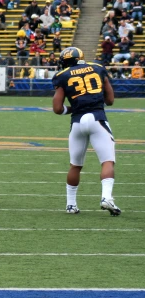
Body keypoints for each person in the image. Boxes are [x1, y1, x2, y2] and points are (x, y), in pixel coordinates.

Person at [51, 47, 120, 215]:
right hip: (97, 118)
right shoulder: (97, 68)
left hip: (77, 122)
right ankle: (106, 198)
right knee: (107, 161)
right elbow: (110, 100)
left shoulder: (62, 76)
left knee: (75, 165)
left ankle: (71, 205)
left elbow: (57, 108)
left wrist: (73, 108)